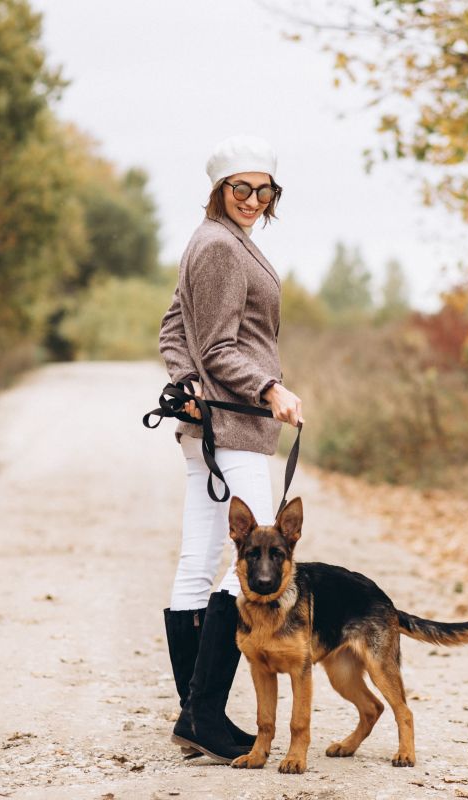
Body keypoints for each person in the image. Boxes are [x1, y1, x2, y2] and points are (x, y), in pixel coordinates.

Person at [157, 135, 304, 763]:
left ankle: (196, 718)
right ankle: (205, 714)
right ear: (220, 189)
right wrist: (269, 386)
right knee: (249, 555)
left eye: (264, 190)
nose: (253, 199)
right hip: (234, 426)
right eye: (241, 188)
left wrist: (186, 382)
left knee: (197, 560)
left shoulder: (210, 240)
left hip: (210, 426)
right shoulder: (219, 246)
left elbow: (174, 330)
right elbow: (218, 346)